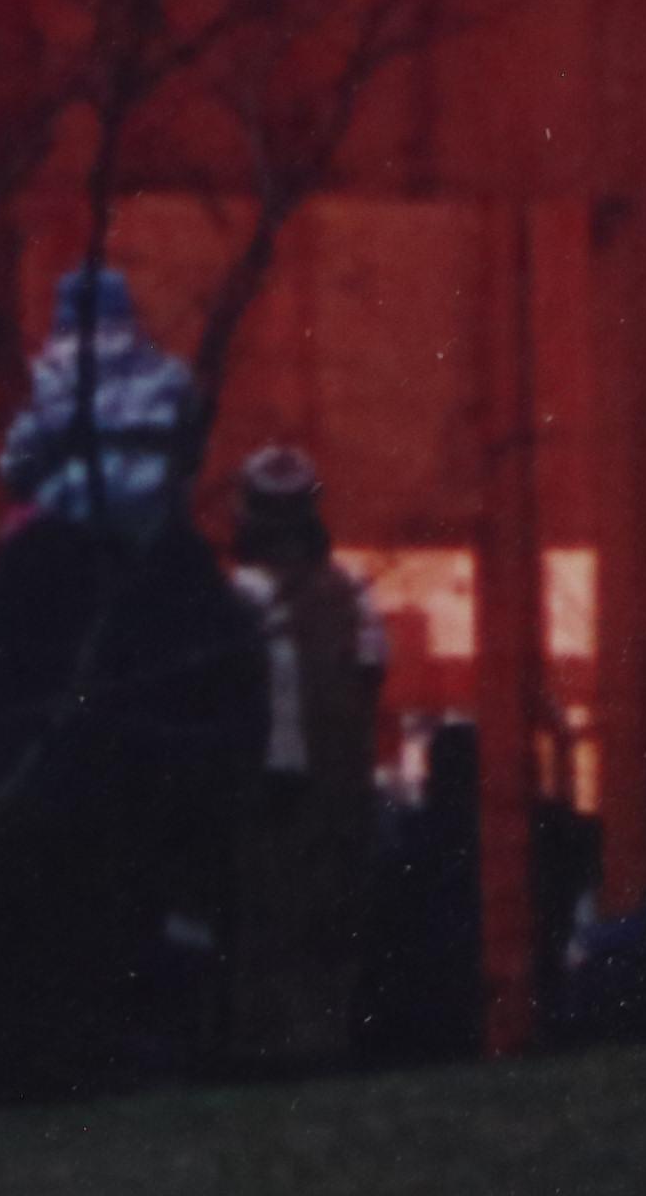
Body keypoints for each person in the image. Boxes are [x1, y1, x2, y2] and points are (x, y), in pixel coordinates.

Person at [226, 445, 386, 1068]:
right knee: (326, 940)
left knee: (269, 938)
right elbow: (371, 678)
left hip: (269, 811)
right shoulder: (353, 598)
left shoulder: (235, 599)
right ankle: (319, 1050)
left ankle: (270, 1054)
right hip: (337, 802)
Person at [0, 264, 205, 542]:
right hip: (152, 539)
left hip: (65, 540)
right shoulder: (172, 378)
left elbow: (18, 464)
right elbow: (191, 455)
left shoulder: (47, 379)